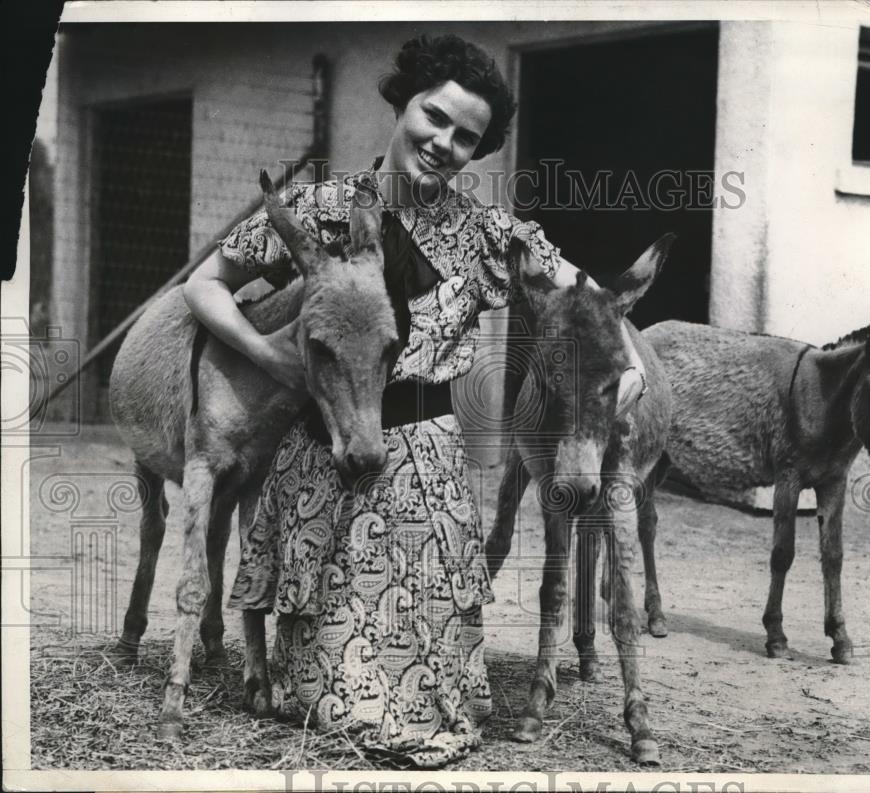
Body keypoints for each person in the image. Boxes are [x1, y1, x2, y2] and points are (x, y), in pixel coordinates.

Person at [183, 33, 647, 768]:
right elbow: (203, 284)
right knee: (337, 707)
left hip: (425, 480)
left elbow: (592, 299)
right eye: (434, 117)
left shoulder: (492, 233)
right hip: (328, 468)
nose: (444, 143)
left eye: (467, 137)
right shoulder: (323, 207)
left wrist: (628, 370)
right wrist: (267, 351)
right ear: (403, 103)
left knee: (422, 713)